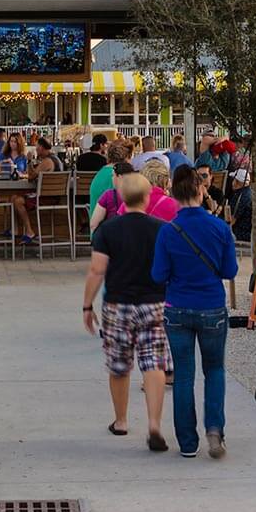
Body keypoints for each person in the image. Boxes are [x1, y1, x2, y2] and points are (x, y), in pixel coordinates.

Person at [152, 166, 239, 460]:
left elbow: (158, 274)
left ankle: (187, 441)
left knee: (184, 373)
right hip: (212, 306)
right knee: (214, 370)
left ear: (173, 194)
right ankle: (215, 429)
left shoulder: (168, 230)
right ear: (201, 192)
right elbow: (229, 270)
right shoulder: (220, 228)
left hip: (177, 307)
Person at [82, 173, 171, 451]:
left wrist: (87, 304)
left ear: (120, 197)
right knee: (153, 363)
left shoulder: (108, 230)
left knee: (119, 365)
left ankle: (121, 421)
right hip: (153, 302)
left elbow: (97, 270)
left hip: (118, 303)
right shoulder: (161, 229)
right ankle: (154, 424)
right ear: (147, 198)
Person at [87, 138, 128, 228]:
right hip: (107, 233)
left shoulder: (102, 172)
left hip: (98, 231)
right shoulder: (116, 176)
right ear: (126, 158)